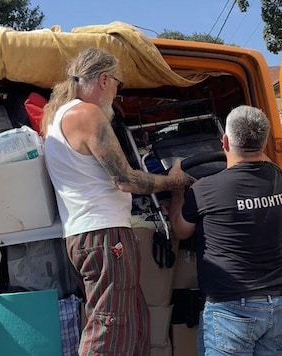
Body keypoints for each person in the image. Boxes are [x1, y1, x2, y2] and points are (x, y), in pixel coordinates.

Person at [42, 48, 194, 356]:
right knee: (110, 325)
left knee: (133, 322)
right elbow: (126, 180)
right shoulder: (87, 114)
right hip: (103, 234)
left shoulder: (60, 116)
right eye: (118, 84)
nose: (117, 93)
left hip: (91, 234)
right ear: (103, 79)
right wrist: (174, 182)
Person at [170, 105, 282, 355]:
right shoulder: (278, 177)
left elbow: (180, 230)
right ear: (265, 141)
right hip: (278, 307)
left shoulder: (205, 189)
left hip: (232, 309)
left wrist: (176, 186)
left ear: (224, 140)